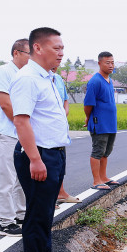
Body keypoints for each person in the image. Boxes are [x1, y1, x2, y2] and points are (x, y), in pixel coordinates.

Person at [10, 27, 72, 252]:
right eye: (55, 48)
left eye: (62, 49)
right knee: (37, 214)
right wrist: (35, 159)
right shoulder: (28, 79)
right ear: (38, 48)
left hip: (53, 152)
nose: (61, 53)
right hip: (39, 154)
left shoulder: (47, 77)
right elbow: (21, 121)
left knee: (46, 212)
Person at [0, 39, 29, 236]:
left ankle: (21, 214)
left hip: (22, 133)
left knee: (22, 177)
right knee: (6, 178)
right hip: (7, 132)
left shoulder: (25, 74)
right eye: (28, 54)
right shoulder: (3, 72)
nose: (31, 58)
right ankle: (5, 222)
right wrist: (21, 125)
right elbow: (5, 104)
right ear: (16, 53)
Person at [83, 51, 118, 190]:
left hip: (110, 123)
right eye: (107, 63)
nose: (111, 65)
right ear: (99, 63)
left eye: (112, 62)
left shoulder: (109, 81)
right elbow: (88, 104)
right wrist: (88, 117)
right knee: (98, 151)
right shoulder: (95, 81)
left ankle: (103, 177)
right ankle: (96, 181)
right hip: (100, 123)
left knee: (106, 151)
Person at [52, 66, 79, 206]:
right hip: (45, 128)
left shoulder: (58, 79)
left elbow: (65, 101)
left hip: (59, 127)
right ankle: (48, 199)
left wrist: (62, 114)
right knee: (47, 166)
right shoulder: (34, 78)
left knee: (59, 164)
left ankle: (60, 193)